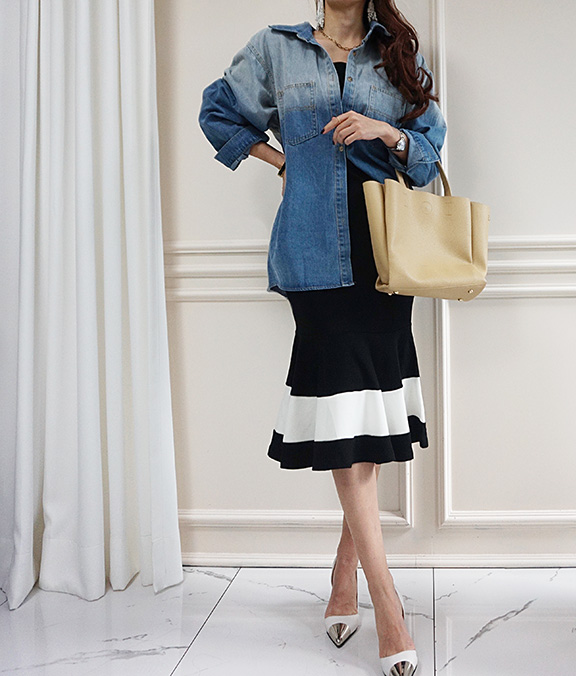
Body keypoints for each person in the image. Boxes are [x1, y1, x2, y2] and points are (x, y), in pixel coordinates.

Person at [199, 1, 446, 673]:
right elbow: (217, 111)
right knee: (343, 415)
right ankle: (388, 604)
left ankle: (345, 572)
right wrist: (280, 159)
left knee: (362, 417)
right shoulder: (274, 49)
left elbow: (428, 156)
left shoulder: (394, 52)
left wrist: (386, 132)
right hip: (312, 252)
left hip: (386, 256)